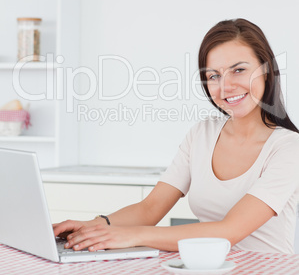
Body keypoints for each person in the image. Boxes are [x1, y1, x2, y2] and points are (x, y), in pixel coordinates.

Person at [53, 18, 299, 254]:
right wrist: (94, 226)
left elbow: (228, 232)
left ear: (266, 71)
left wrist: (132, 236)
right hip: (208, 272)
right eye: (214, 76)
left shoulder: (288, 148)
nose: (226, 87)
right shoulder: (202, 133)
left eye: (239, 70)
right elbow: (150, 208)